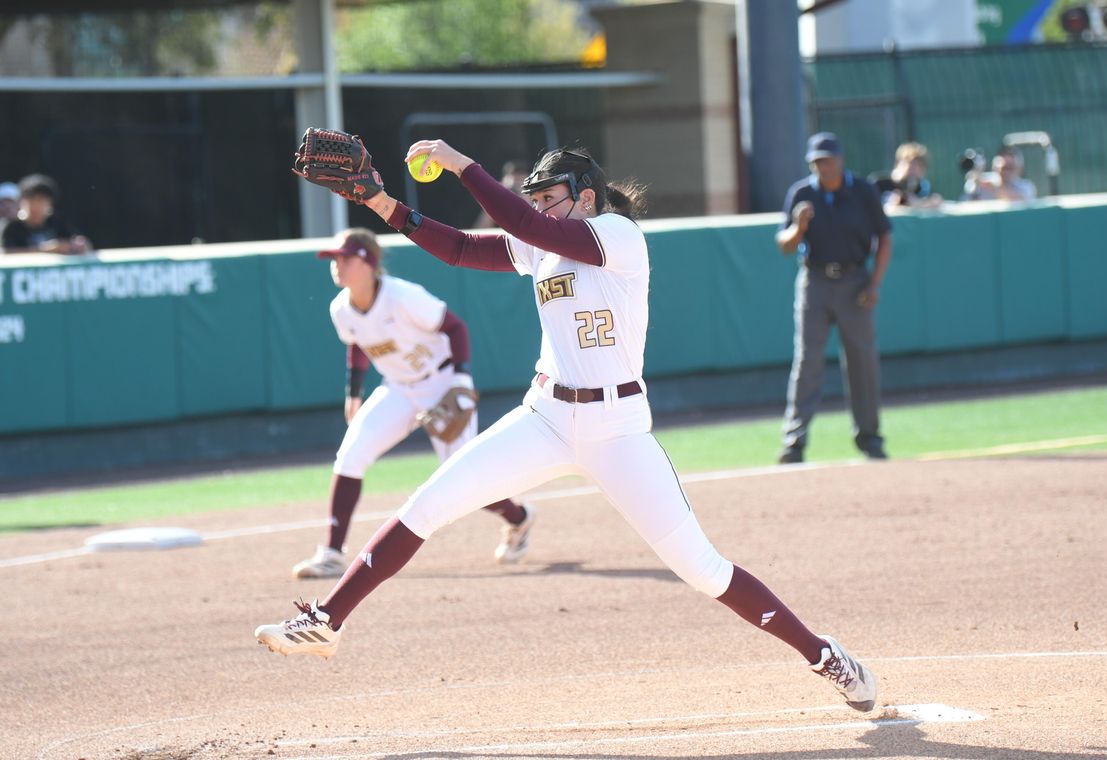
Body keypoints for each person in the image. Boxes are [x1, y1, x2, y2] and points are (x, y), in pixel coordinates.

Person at [255, 138, 879, 714]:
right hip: (546, 414)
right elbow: (463, 249)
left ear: (585, 195)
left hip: (618, 427)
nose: (538, 208)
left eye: (549, 195)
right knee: (429, 503)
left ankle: (824, 655)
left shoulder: (617, 235)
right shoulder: (543, 239)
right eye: (536, 198)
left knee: (702, 569)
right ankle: (326, 621)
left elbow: (521, 225)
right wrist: (384, 202)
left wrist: (458, 162)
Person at [291, 227, 536, 578]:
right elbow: (358, 344)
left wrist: (461, 377)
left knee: (460, 479)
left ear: (367, 262)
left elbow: (455, 329)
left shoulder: (402, 296)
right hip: (398, 390)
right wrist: (354, 393)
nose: (337, 265)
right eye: (334, 259)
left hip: (442, 382)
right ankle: (331, 552)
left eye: (344, 258)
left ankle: (520, 517)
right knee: (350, 455)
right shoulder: (341, 309)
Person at [775, 132, 891, 464]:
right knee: (807, 360)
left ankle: (870, 438)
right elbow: (783, 245)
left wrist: (875, 283)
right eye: (817, 162)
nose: (823, 167)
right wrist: (798, 227)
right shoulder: (802, 193)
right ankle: (794, 441)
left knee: (862, 361)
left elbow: (885, 235)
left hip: (855, 280)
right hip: (815, 281)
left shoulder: (862, 191)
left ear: (840, 160)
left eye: (827, 160)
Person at [0, 174, 91, 254]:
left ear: (50, 204)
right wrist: (44, 250)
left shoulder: (57, 222)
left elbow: (78, 241)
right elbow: (6, 253)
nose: (36, 206)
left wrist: (80, 244)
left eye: (41, 201)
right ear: (21, 203)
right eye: (31, 201)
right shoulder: (11, 227)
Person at [869, 142, 942, 209]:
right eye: (911, 165)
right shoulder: (878, 182)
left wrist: (918, 203)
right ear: (899, 163)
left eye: (919, 166)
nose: (915, 170)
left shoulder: (922, 186)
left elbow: (936, 200)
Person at [962, 146, 1037, 202]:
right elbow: (967, 205)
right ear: (995, 167)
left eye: (1010, 167)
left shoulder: (1026, 186)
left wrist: (994, 188)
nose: (1006, 172)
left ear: (1019, 169)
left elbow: (1022, 201)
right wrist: (975, 185)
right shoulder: (980, 182)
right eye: (1003, 168)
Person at [471, 159, 529, 228]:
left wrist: (525, 195)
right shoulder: (496, 201)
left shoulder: (538, 202)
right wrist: (495, 199)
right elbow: (478, 231)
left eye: (520, 182)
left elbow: (533, 225)